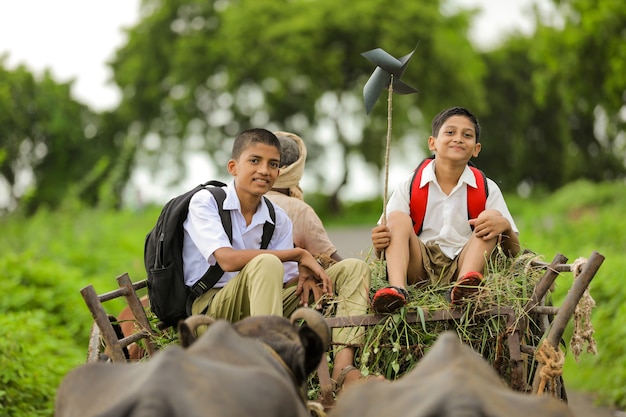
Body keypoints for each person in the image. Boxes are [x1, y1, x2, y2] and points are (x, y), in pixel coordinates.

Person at [182, 128, 373, 390]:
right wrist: (298, 253)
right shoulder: (206, 202)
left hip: (261, 305)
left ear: (279, 172)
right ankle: (272, 367)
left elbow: (280, 281)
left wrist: (303, 276)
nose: (264, 170)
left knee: (353, 267)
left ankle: (343, 370)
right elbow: (226, 260)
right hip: (213, 311)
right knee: (266, 261)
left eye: (273, 164)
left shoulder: (277, 218)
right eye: (254, 161)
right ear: (233, 167)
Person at [370, 106, 520, 313]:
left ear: (476, 148)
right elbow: (385, 246)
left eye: (466, 135)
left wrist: (505, 227)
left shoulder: (486, 187)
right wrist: (379, 245)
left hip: (465, 264)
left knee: (491, 217)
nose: (458, 139)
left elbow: (513, 251)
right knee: (396, 218)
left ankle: (464, 288)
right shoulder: (411, 184)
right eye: (450, 132)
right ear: (433, 143)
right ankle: (397, 290)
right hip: (419, 269)